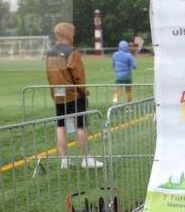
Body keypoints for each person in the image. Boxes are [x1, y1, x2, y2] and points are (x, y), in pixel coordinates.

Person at [46, 22, 103, 169]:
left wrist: (54, 94)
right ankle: (86, 159)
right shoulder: (72, 52)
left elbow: (49, 76)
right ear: (67, 34)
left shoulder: (50, 52)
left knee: (60, 126)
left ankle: (64, 160)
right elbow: (79, 76)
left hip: (58, 94)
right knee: (81, 125)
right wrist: (84, 91)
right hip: (74, 94)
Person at [112, 39, 137, 104]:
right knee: (128, 91)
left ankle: (115, 102)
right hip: (127, 75)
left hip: (118, 75)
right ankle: (129, 107)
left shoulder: (115, 54)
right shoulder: (129, 55)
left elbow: (113, 65)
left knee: (118, 92)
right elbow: (134, 66)